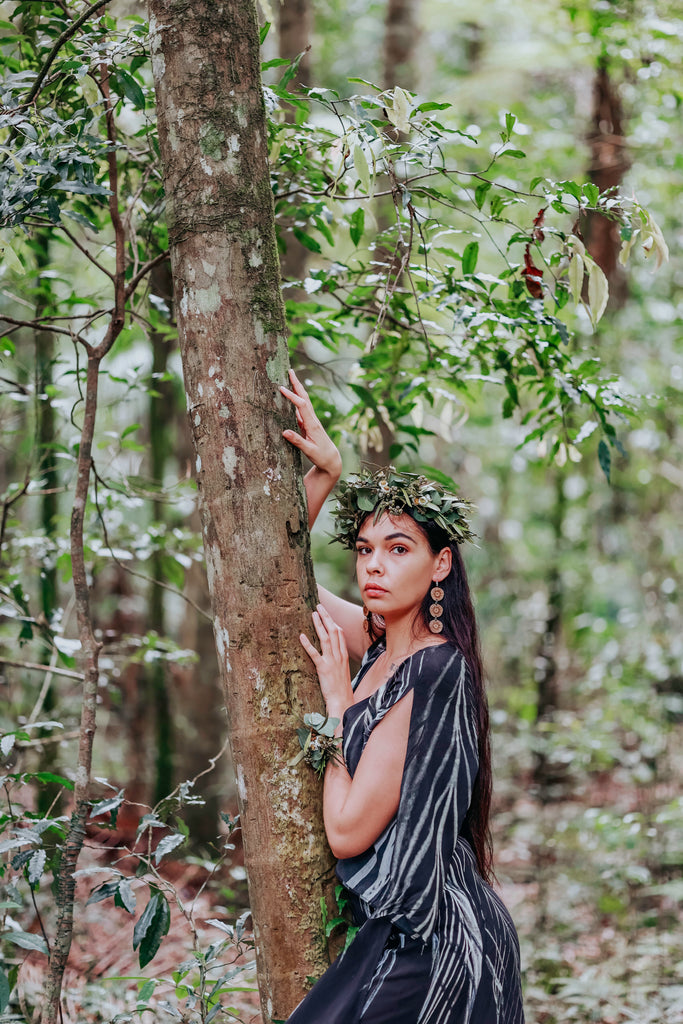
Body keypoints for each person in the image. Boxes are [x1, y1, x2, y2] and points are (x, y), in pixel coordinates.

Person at [279, 369, 524, 1024]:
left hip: (435, 945)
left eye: (397, 548)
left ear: (439, 564)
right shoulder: (375, 641)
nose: (373, 566)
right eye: (363, 550)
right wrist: (323, 474)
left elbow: (348, 829)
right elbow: (276, 578)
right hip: (399, 934)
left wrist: (335, 709)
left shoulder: (436, 669)